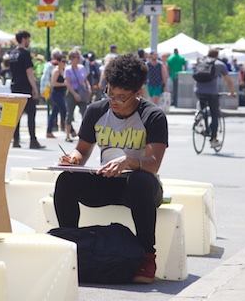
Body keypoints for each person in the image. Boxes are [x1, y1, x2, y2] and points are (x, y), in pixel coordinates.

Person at [54, 53, 168, 284]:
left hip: (139, 186)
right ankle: (71, 245)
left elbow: (154, 163)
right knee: (65, 180)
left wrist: (128, 161)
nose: (113, 100)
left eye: (121, 97)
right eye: (110, 93)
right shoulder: (96, 111)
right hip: (106, 180)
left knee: (141, 182)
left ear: (137, 93)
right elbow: (82, 151)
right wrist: (73, 159)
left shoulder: (153, 115)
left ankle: (147, 255)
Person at [9, 30, 44, 149]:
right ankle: (33, 140)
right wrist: (34, 88)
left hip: (15, 86)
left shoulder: (12, 53)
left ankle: (16, 140)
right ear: (24, 39)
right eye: (28, 39)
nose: (29, 41)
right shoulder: (24, 53)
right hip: (25, 87)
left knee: (16, 115)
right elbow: (29, 72)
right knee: (31, 114)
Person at [194, 48, 236, 149]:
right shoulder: (220, 64)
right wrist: (232, 92)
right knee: (215, 114)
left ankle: (200, 115)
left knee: (203, 106)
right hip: (212, 93)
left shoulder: (201, 62)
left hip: (198, 91)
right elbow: (228, 80)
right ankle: (213, 140)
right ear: (217, 55)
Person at [64, 48, 91, 142]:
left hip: (81, 92)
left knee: (85, 113)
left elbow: (85, 79)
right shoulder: (68, 69)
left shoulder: (82, 68)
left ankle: (83, 134)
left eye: (79, 57)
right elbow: (67, 83)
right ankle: (67, 135)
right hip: (72, 93)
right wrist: (75, 94)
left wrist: (88, 87)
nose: (78, 59)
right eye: (76, 57)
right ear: (72, 58)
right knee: (70, 114)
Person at [47, 55, 68, 138]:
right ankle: (72, 130)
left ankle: (49, 131)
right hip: (56, 94)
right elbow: (53, 83)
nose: (64, 63)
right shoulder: (56, 71)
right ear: (58, 62)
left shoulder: (63, 70)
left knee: (54, 113)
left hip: (61, 93)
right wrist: (64, 84)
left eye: (65, 62)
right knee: (64, 111)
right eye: (62, 61)